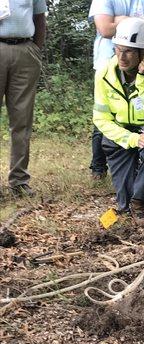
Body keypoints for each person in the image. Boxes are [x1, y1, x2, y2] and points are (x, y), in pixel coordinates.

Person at [93, 18, 144, 226]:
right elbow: (100, 118)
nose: (122, 57)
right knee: (124, 208)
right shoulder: (104, 74)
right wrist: (131, 138)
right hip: (120, 136)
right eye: (118, 49)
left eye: (128, 51)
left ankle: (141, 202)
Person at [88, 0, 144, 180]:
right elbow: (105, 29)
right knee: (106, 117)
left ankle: (137, 167)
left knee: (140, 115)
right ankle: (98, 167)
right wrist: (139, 23)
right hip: (107, 65)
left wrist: (121, 21)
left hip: (140, 65)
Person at [0, 0, 47, 197]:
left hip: (25, 51)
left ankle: (19, 181)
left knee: (22, 119)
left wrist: (36, 49)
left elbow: (39, 17)